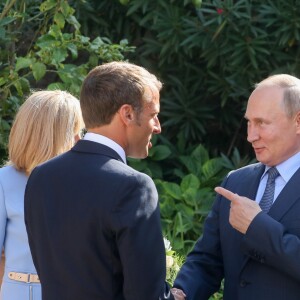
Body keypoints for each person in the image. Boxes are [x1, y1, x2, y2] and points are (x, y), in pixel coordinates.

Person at [24, 61, 175, 300]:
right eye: (153, 115)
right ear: (127, 114)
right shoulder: (133, 186)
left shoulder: (42, 176)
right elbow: (145, 294)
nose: (157, 127)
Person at [172, 74, 300, 300]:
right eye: (249, 122)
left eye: (262, 123)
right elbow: (207, 259)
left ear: (298, 122)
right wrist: (181, 292)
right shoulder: (236, 181)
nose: (251, 135)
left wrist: (257, 226)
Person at [0, 90, 84, 300]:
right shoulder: (4, 181)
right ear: (52, 136)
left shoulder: (82, 182)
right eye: (75, 132)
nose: (80, 140)